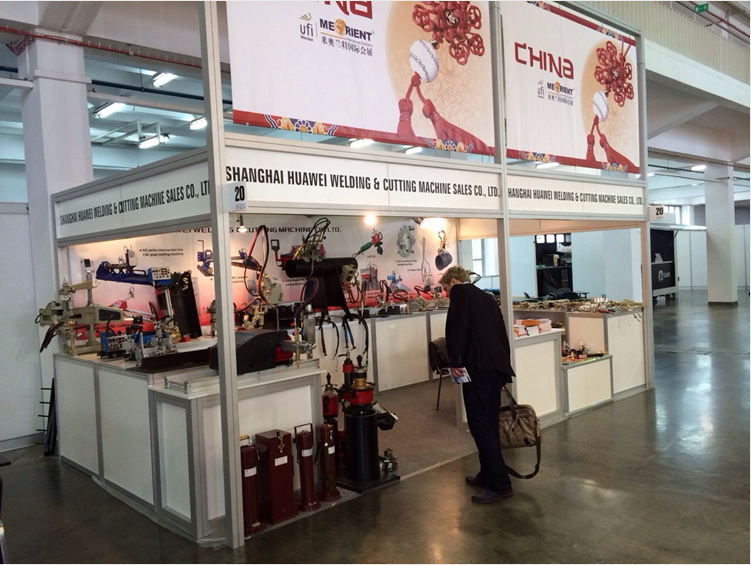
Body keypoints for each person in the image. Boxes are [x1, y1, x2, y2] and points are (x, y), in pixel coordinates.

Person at [440, 266, 515, 504]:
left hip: (478, 369)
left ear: (454, 281)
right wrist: (505, 373)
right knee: (489, 423)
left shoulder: (460, 293)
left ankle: (500, 485)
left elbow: (457, 329)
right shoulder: (487, 297)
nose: (447, 294)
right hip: (495, 368)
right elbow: (502, 335)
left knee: (480, 425)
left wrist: (455, 361)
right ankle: (487, 474)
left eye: (445, 288)